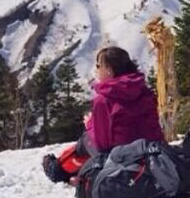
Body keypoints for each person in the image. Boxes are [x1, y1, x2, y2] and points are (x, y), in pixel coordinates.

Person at [43, 46, 164, 183]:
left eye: (98, 66)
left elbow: (102, 145)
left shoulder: (104, 100)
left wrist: (90, 123)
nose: (96, 70)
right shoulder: (145, 91)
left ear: (109, 70)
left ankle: (58, 169)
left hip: (123, 158)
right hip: (152, 151)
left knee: (86, 139)